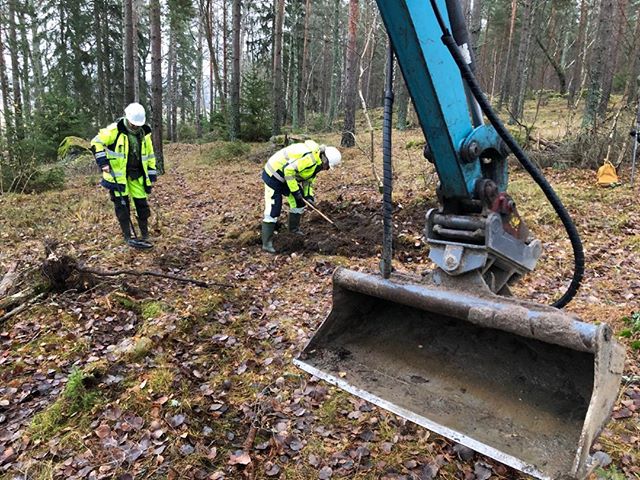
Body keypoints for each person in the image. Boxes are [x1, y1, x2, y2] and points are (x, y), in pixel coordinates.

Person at [91, 103, 157, 249]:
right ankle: (128, 236)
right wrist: (103, 161)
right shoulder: (114, 130)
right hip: (118, 176)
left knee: (141, 204)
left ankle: (144, 234)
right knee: (122, 206)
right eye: (133, 124)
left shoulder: (144, 134)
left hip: (137, 175)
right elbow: (96, 142)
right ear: (128, 119)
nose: (135, 127)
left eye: (137, 125)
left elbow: (150, 155)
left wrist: (152, 172)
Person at [261, 140, 341, 253]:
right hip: (274, 175)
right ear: (325, 160)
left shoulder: (317, 163)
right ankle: (267, 243)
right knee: (274, 208)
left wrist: (308, 196)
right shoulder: (310, 159)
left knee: (300, 202)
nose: (326, 169)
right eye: (327, 166)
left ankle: (293, 230)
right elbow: (288, 171)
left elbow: (308, 180)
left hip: (287, 178)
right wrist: (296, 191)